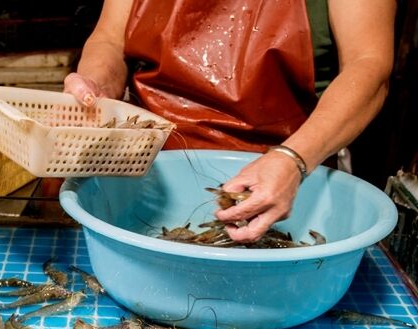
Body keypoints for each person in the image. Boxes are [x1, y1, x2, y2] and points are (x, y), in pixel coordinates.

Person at [64, 0, 396, 242]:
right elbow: (109, 40)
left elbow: (368, 65)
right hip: (149, 173)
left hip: (288, 173)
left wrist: (293, 159)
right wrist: (96, 86)